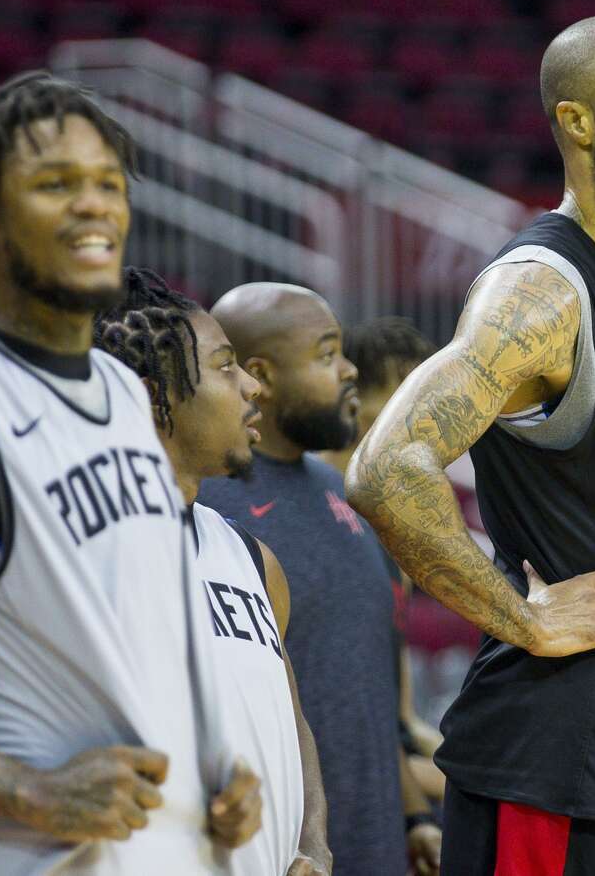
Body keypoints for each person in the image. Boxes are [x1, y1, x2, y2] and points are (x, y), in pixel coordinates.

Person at [345, 15, 595, 876]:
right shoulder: (537, 292)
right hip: (555, 758)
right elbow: (384, 467)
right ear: (577, 123)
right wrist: (521, 613)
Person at [0, 72, 257, 871]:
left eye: (106, 183)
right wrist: (26, 790)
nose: (94, 204)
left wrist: (221, 768)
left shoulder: (126, 401)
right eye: (55, 184)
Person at [93, 266, 332, 876]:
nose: (253, 388)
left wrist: (313, 844)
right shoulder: (76, 557)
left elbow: (293, 724)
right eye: (227, 366)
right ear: (152, 398)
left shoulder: (253, 559)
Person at [198, 284, 442, 875]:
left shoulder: (349, 495)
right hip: (285, 854)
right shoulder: (210, 510)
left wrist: (414, 819)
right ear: (264, 375)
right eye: (327, 353)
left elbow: (375, 699)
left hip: (378, 845)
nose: (349, 368)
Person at [318, 317, 446, 803]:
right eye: (409, 401)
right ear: (356, 401)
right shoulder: (307, 515)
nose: (423, 421)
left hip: (379, 771)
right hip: (334, 783)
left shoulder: (391, 530)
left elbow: (401, 721)